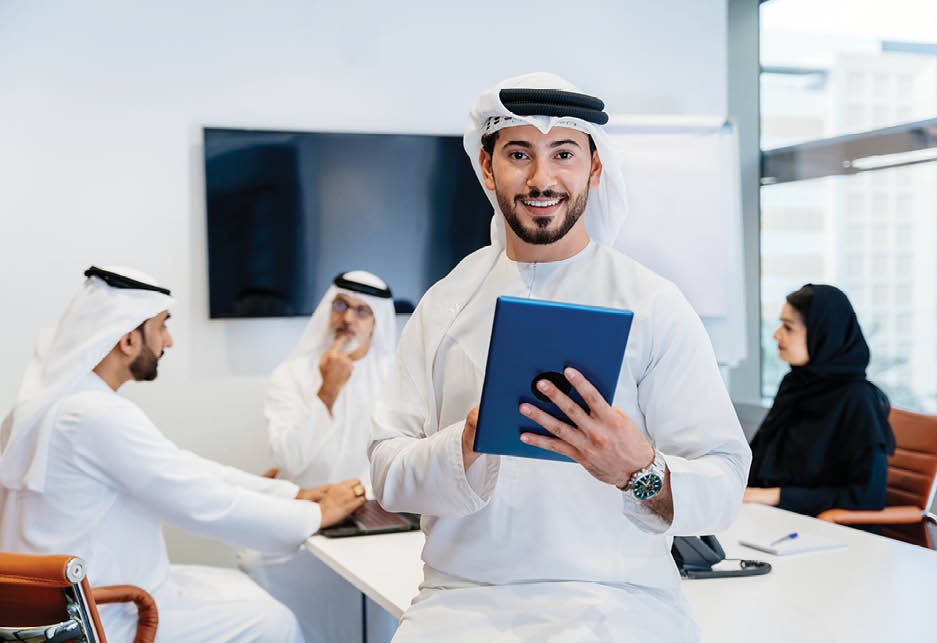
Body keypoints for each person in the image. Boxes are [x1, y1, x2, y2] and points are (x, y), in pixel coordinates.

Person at [367, 72, 751, 642]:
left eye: (563, 154)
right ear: (486, 167)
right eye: (518, 153)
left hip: (623, 602)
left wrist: (638, 470)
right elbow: (386, 474)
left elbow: (722, 485)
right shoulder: (444, 305)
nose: (541, 178)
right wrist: (466, 443)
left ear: (594, 169)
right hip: (462, 603)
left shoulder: (653, 304)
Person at [0, 266, 367, 643]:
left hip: (67, 606)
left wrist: (292, 495)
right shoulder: (92, 415)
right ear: (128, 340)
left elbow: (182, 467)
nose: (169, 341)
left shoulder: (59, 405)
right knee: (274, 622)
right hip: (105, 614)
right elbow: (199, 500)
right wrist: (315, 514)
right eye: (162, 327)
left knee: (246, 589)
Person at [240, 270, 396, 643]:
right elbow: (291, 460)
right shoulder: (291, 376)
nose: (347, 318)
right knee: (255, 562)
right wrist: (327, 390)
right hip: (308, 517)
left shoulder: (398, 376)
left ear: (377, 323)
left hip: (378, 520)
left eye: (362, 311)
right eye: (340, 305)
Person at [744, 284, 895, 518]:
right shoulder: (794, 384)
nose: (776, 334)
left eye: (788, 327)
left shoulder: (858, 399)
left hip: (830, 531)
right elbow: (759, 460)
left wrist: (773, 496)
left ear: (822, 333)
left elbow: (865, 497)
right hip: (771, 516)